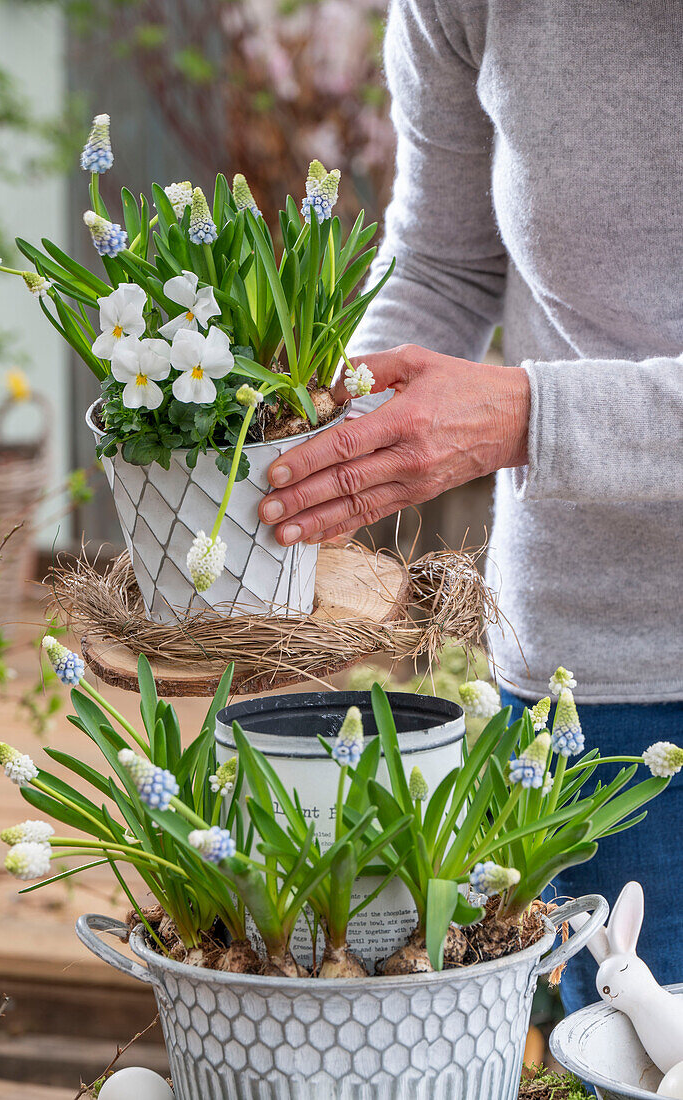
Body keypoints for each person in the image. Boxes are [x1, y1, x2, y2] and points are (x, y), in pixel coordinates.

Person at [258, 0, 683, 1012]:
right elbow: (444, 262)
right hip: (599, 679)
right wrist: (326, 420)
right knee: (620, 1057)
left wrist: (533, 415)